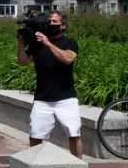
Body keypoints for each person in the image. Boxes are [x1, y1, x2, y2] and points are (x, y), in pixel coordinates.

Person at [17, 10, 82, 157]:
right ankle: (34, 163)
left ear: (63, 26)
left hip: (66, 98)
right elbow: (23, 62)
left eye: (54, 22)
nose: (50, 24)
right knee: (35, 135)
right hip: (42, 98)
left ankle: (79, 164)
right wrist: (21, 43)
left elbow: (67, 59)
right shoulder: (36, 44)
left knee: (74, 133)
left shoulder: (69, 42)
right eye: (49, 21)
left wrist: (48, 43)